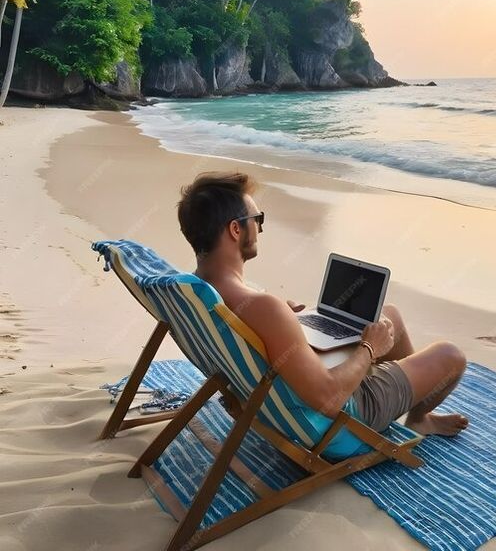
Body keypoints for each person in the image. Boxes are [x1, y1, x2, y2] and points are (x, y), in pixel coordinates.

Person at [177, 171, 469, 437]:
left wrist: (284, 326)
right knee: (450, 355)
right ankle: (417, 417)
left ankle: (414, 406)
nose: (260, 229)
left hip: (273, 404)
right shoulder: (262, 305)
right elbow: (328, 399)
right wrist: (369, 350)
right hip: (337, 423)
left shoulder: (196, 292)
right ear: (235, 230)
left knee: (387, 314)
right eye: (258, 219)